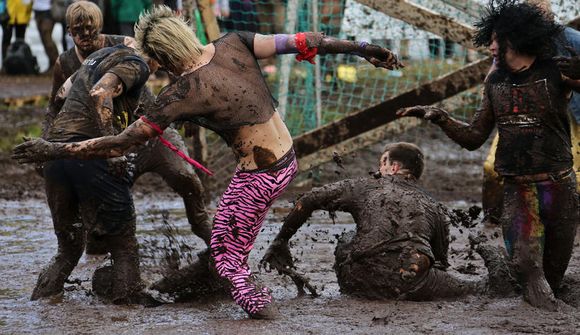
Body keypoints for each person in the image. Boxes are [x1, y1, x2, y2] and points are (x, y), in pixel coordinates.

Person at [12, 5, 403, 318]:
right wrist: (365, 49)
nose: (160, 68)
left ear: (163, 54)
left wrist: (55, 150)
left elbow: (121, 143)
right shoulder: (235, 42)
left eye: (160, 61)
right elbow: (303, 40)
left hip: (260, 177)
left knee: (227, 257)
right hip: (285, 161)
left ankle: (266, 314)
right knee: (220, 237)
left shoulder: (182, 92)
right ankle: (189, 284)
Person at [397, 0, 580, 311]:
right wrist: (440, 117)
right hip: (517, 189)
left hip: (559, 188)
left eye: (497, 40)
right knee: (525, 264)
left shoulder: (556, 72)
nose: (491, 47)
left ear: (517, 37)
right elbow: (473, 137)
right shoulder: (494, 82)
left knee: (551, 275)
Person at [47, 1, 212, 254]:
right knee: (102, 215)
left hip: (148, 126)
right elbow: (55, 106)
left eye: (90, 30)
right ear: (68, 31)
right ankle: (106, 253)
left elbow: (167, 61)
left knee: (185, 177)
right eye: (78, 31)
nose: (85, 37)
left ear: (100, 27)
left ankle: (204, 227)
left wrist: (182, 107)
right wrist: (49, 146)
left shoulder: (125, 45)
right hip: (106, 139)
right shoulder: (65, 63)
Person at [261, 142, 514, 301]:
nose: (378, 168)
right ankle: (495, 274)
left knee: (348, 240)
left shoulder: (365, 186)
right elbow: (442, 263)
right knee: (476, 287)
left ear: (392, 167)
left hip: (357, 278)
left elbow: (309, 199)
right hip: (411, 282)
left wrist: (281, 240)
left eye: (381, 162)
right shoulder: (434, 207)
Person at [30, 42, 157, 304]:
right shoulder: (138, 64)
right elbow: (101, 93)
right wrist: (113, 148)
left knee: (68, 250)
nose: (159, 71)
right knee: (124, 246)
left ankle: (42, 305)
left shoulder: (98, 56)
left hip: (58, 154)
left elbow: (61, 94)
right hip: (90, 154)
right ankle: (125, 315)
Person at [481, 0, 580, 226]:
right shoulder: (511, 42)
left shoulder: (571, 40)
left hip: (565, 115)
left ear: (549, 15)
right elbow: (493, 74)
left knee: (570, 173)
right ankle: (492, 220)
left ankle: (563, 225)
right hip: (519, 113)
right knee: (492, 168)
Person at [32, 0, 59, 74]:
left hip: (48, 10)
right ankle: (51, 64)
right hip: (37, 10)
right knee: (43, 39)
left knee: (47, 38)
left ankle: (57, 64)